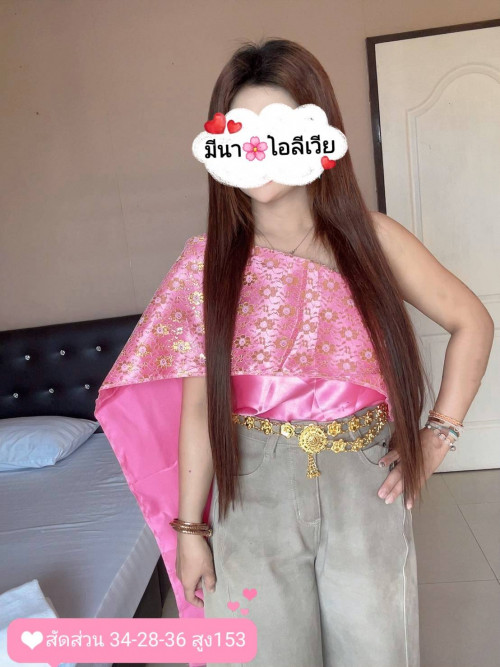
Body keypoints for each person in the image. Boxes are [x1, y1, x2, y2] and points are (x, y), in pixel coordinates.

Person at [95, 38, 494, 667]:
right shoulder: (207, 264)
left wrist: (437, 437)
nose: (259, 150)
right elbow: (199, 410)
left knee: (376, 650)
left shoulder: (373, 240)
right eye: (241, 131)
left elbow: (472, 321)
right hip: (249, 485)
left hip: (362, 479)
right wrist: (191, 532)